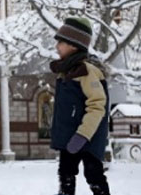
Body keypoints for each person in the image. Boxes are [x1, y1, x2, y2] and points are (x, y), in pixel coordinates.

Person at [49, 18, 111, 195]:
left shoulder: (86, 71)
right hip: (69, 137)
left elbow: (98, 105)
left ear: (74, 45)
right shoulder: (66, 71)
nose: (57, 46)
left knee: (93, 175)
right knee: (65, 175)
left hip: (87, 136)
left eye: (61, 42)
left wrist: (82, 135)